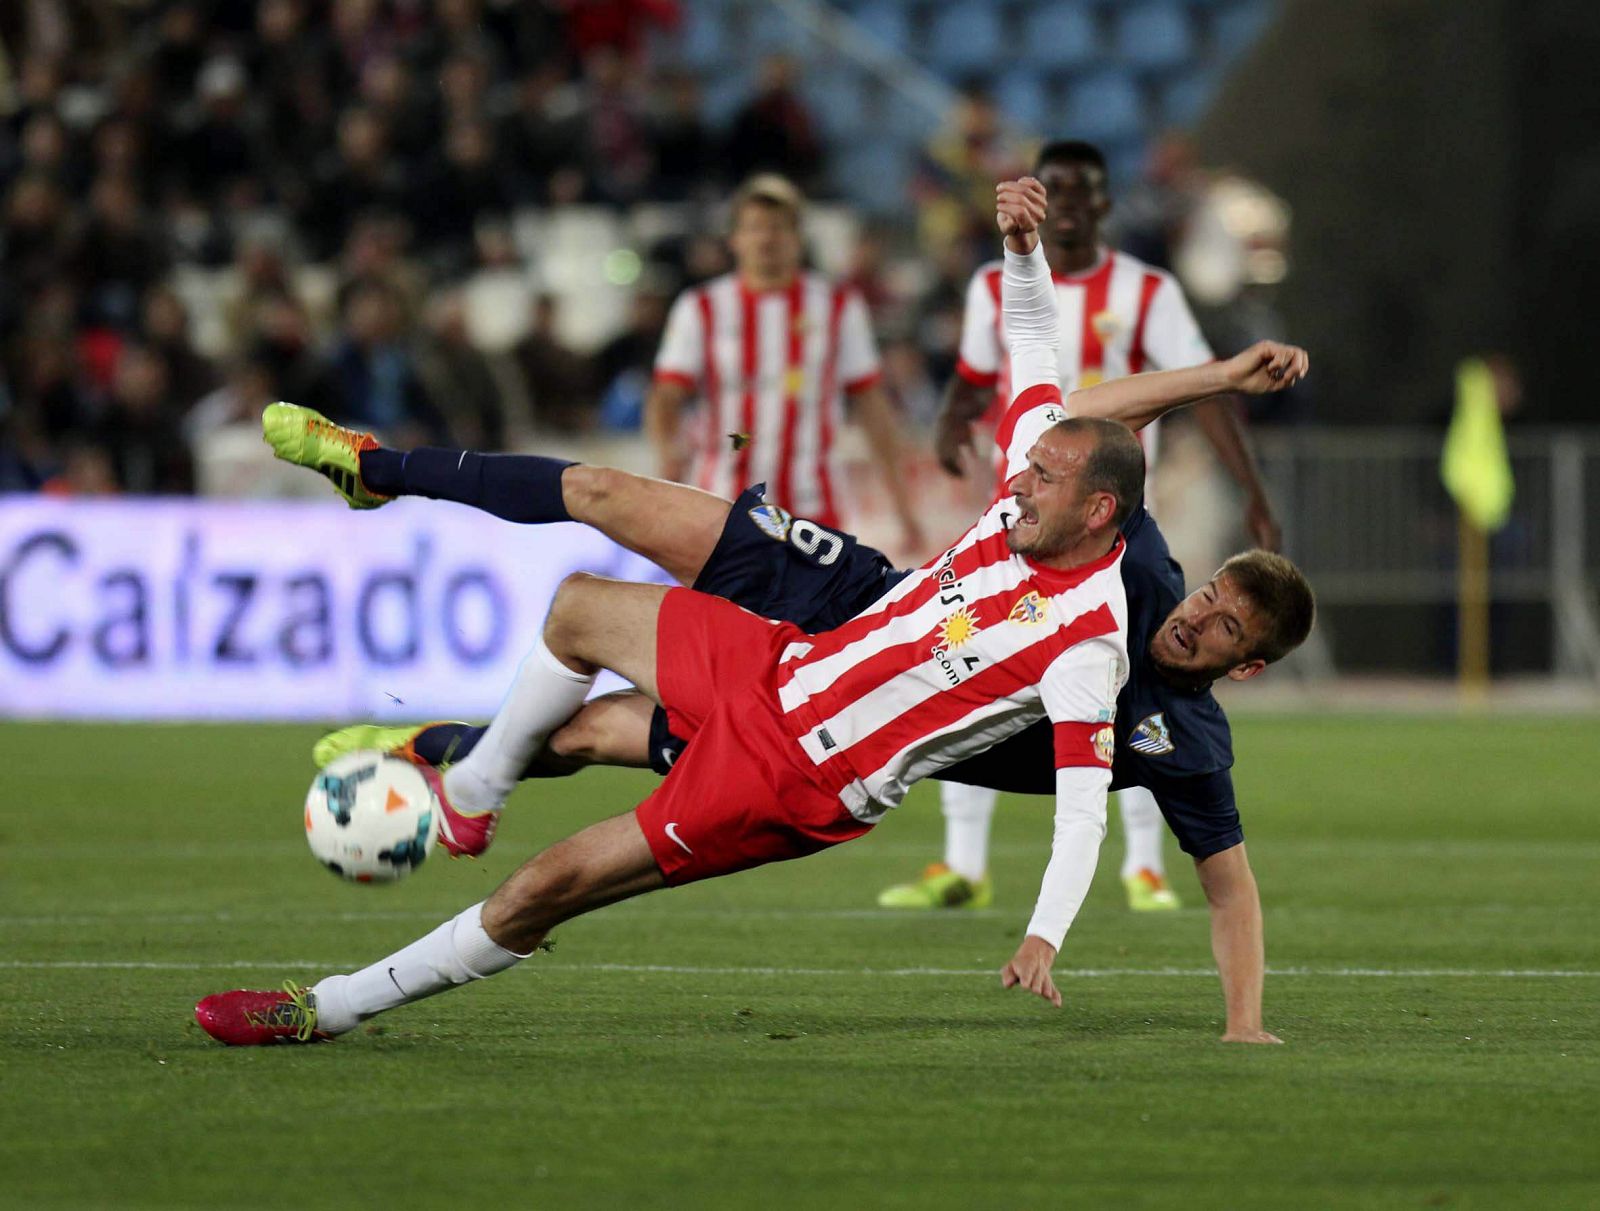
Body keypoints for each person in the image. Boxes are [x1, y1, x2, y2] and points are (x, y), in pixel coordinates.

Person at [203, 182, 1309, 1046]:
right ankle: (470, 784)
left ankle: (328, 1005)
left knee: (548, 885)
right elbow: (1039, 356)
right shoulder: (1058, 502)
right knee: (580, 604)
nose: (1012, 479)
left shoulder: (1088, 640)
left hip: (798, 773)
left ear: (1097, 509)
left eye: (1041, 477)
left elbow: (1079, 814)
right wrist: (1019, 246)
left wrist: (1042, 934)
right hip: (784, 656)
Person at [913, 140, 1285, 915]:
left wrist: (1248, 483)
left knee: (1136, 679)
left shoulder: (1147, 290)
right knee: (975, 661)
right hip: (1020, 504)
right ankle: (961, 863)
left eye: (1084, 191)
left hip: (1116, 525)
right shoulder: (993, 283)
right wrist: (951, 424)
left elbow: (1199, 388)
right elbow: (980, 376)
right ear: (1045, 196)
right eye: (1059, 190)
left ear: (1105, 203)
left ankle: (1144, 863)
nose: (1072, 203)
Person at [645, 173, 923, 554]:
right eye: (755, 227)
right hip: (720, 505)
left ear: (797, 238)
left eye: (778, 227)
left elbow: (872, 406)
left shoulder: (838, 307)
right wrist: (668, 466)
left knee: (812, 616)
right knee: (723, 614)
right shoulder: (701, 308)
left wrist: (903, 510)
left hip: (813, 512)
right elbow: (666, 397)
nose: (767, 238)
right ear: (735, 239)